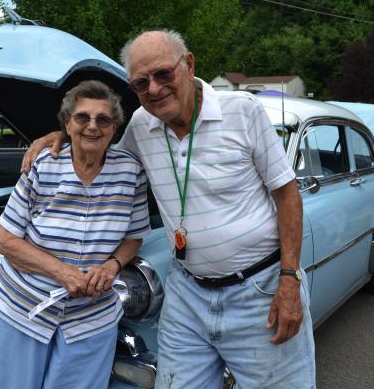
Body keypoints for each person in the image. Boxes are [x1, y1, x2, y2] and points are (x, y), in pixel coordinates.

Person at [22, 30, 315, 388]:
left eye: (164, 74)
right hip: (187, 293)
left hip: (258, 290)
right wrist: (60, 138)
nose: (155, 89)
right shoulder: (141, 127)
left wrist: (289, 280)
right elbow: (100, 153)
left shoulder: (243, 111)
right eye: (142, 83)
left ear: (188, 64)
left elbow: (288, 195)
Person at [0, 80, 151, 389]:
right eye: (82, 118)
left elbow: (134, 237)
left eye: (103, 119)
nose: (93, 126)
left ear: (115, 128)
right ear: (67, 124)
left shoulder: (130, 172)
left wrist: (111, 266)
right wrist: (64, 274)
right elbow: (7, 242)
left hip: (92, 316)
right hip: (25, 306)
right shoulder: (43, 164)